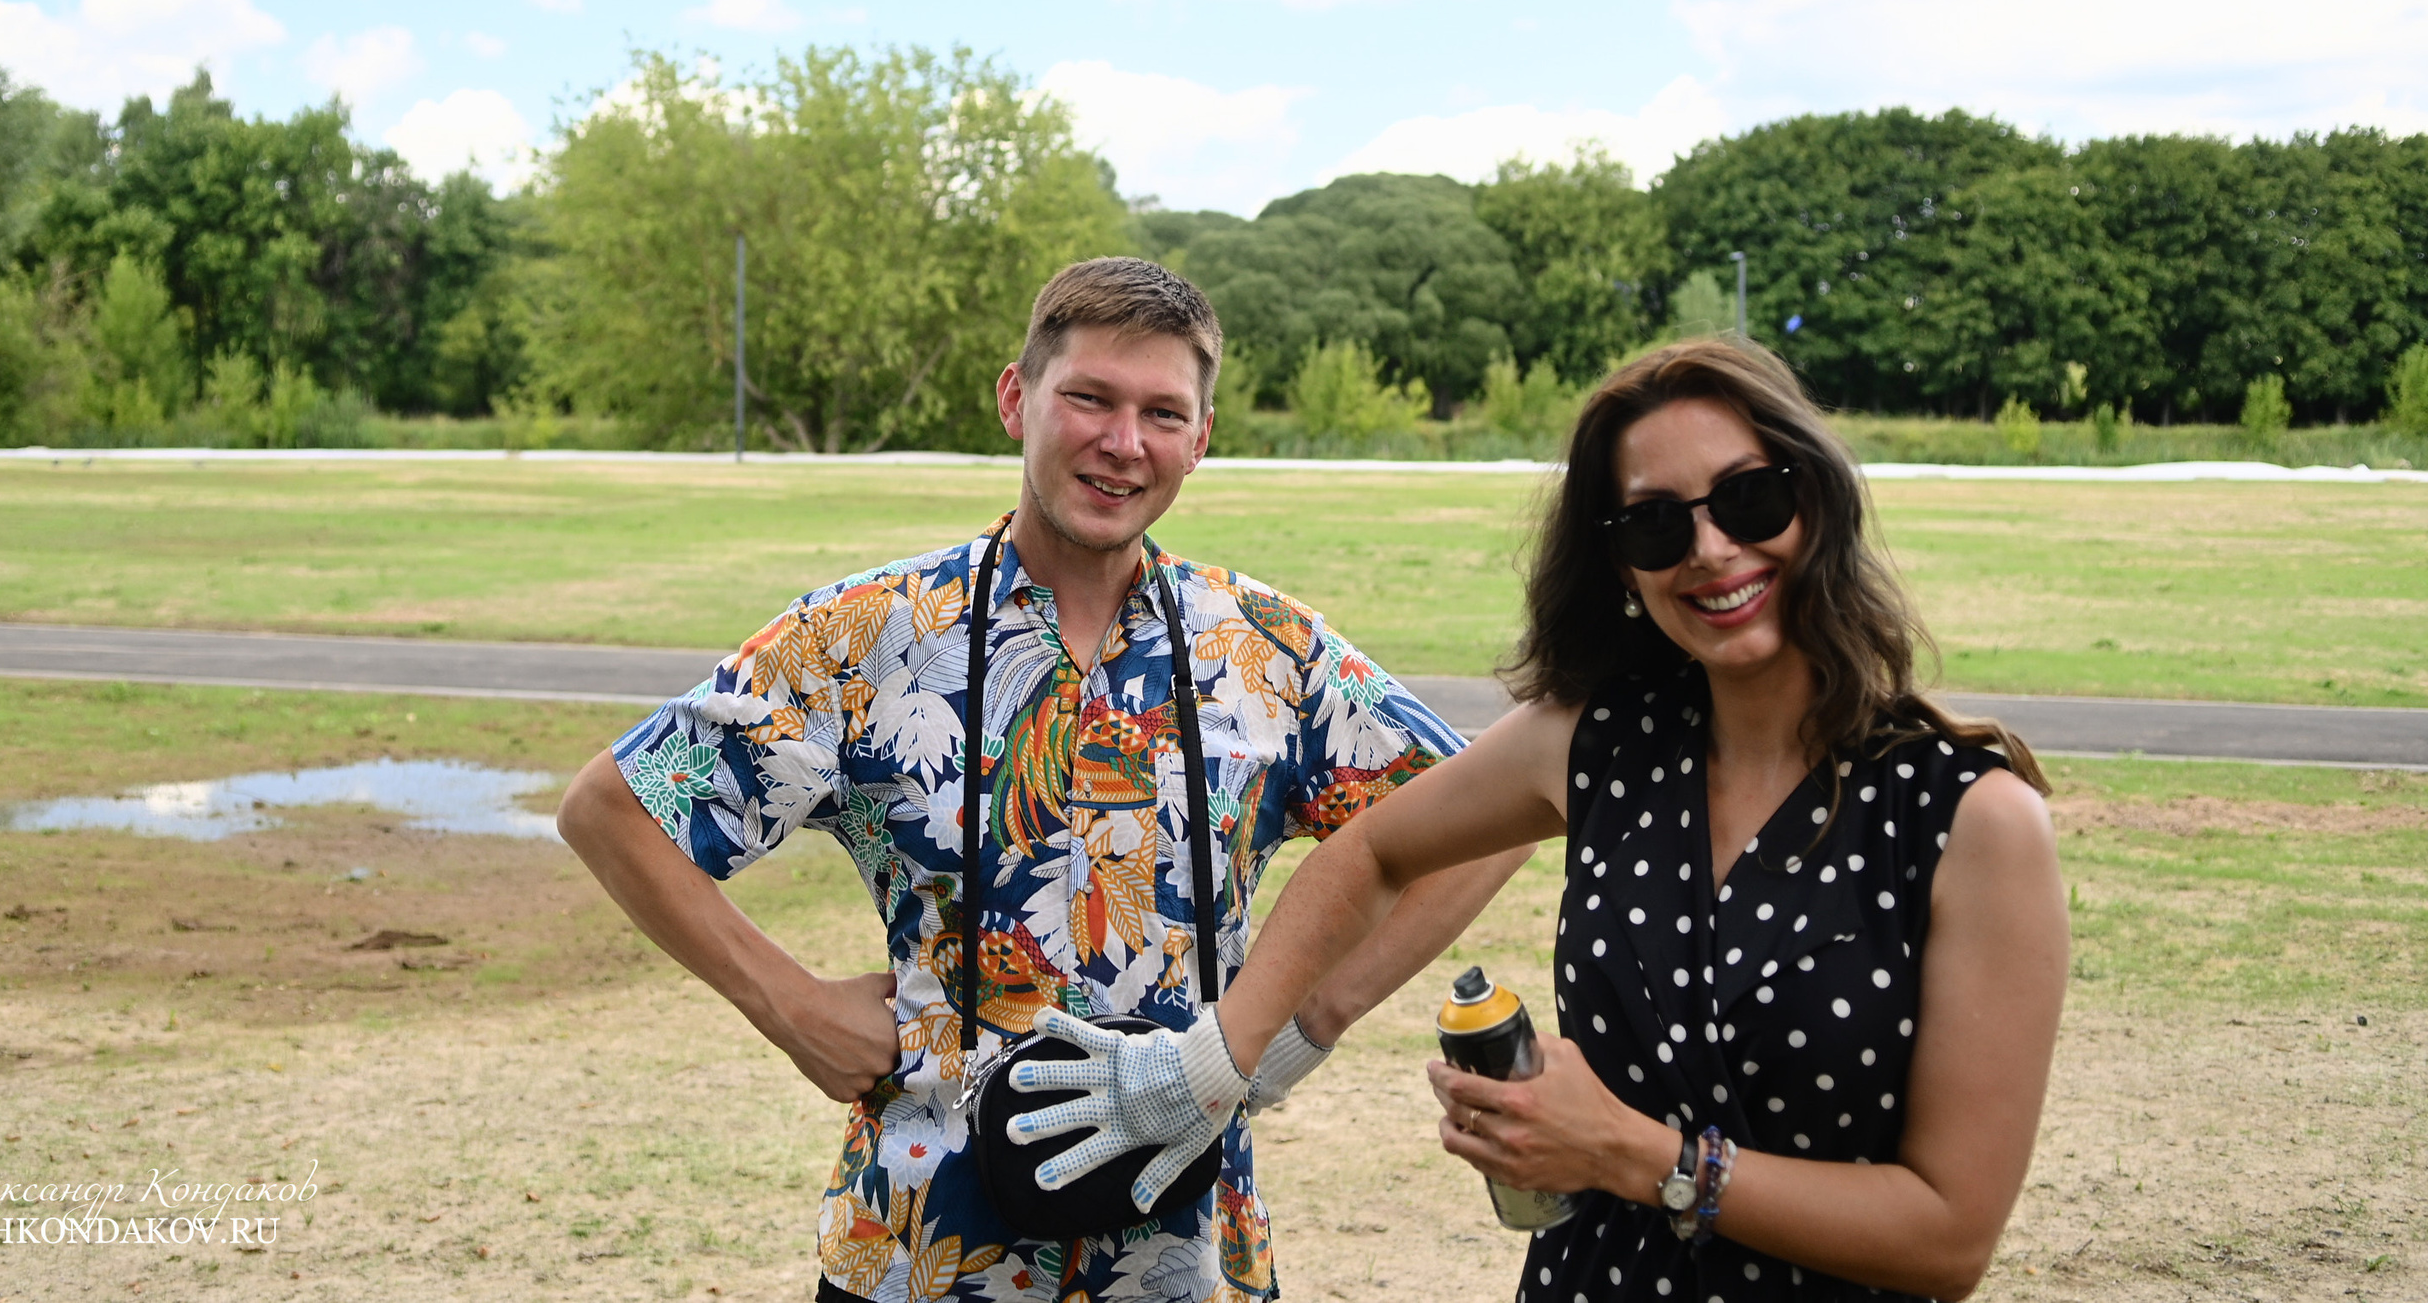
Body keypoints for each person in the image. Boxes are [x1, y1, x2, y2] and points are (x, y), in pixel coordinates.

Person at [558, 256, 1531, 1303]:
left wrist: (1304, 1023)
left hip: (1188, 1260)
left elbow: (1501, 811)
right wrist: (789, 1004)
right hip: (919, 1252)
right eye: (1090, 398)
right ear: (1016, 398)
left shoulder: (1265, 651)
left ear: (1201, 438)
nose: (1124, 442)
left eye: (1163, 413)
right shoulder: (869, 636)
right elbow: (615, 809)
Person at [1194, 337, 2069, 1302]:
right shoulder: (1595, 741)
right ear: (1621, 565)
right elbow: (1374, 849)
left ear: (1815, 498)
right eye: (1656, 524)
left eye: (1748, 497)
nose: (1710, 549)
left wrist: (1631, 1152)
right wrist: (1240, 1052)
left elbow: (1950, 1238)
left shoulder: (1971, 817)